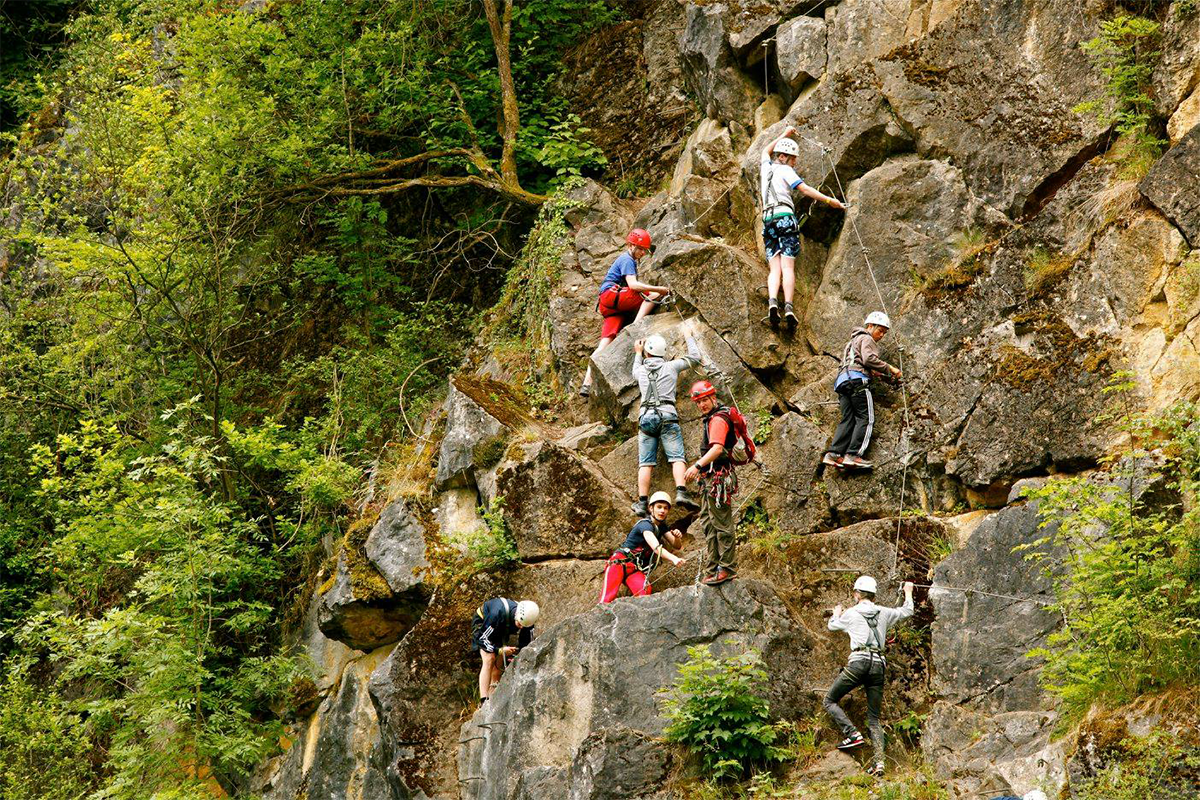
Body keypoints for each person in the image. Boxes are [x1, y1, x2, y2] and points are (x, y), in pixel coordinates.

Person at [824, 576, 915, 778]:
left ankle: (852, 734)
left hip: (859, 662)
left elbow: (832, 626)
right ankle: (879, 764)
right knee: (874, 718)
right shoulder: (884, 612)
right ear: (873, 595)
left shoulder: (851, 613)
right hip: (878, 665)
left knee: (829, 700)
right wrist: (908, 591)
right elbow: (908, 611)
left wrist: (836, 613)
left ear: (857, 594)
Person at [760, 125, 845, 329]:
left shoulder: (766, 167)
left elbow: (765, 150)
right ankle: (788, 306)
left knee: (775, 269)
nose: (795, 162)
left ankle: (773, 302)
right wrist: (829, 201)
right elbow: (804, 189)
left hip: (768, 221)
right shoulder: (786, 170)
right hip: (785, 218)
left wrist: (784, 135)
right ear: (784, 157)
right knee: (788, 266)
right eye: (793, 158)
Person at [580, 229, 671, 398]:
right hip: (612, 296)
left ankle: (587, 383)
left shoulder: (628, 259)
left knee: (606, 341)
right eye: (640, 249)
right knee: (652, 294)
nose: (643, 253)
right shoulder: (627, 259)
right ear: (630, 246)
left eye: (644, 250)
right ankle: (637, 323)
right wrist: (658, 288)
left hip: (610, 306)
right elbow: (634, 285)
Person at [631, 328, 702, 516]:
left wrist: (638, 354)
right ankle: (681, 492)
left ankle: (641, 503)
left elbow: (634, 371)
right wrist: (688, 336)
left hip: (646, 417)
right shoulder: (671, 366)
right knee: (676, 457)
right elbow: (695, 357)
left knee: (645, 463)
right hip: (667, 414)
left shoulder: (640, 371)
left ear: (647, 352)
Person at [822, 312, 902, 470]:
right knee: (866, 418)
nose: (881, 335)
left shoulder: (851, 342)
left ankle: (833, 454)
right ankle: (854, 455)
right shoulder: (867, 338)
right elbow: (868, 359)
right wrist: (890, 368)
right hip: (858, 381)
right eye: (880, 331)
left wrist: (873, 372)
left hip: (843, 382)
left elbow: (857, 361)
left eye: (884, 333)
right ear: (870, 326)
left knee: (848, 419)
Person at [684, 380, 739, 586]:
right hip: (710, 477)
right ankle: (714, 565)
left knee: (722, 524)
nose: (701, 405)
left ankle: (727, 568)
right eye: (698, 402)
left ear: (713, 398)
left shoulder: (718, 419)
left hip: (718, 478)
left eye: (704, 400)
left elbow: (716, 449)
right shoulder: (710, 418)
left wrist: (696, 466)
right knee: (708, 523)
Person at [599, 491, 686, 603]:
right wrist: (674, 559)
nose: (662, 511)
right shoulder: (645, 525)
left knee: (644, 591)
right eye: (659, 507)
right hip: (619, 563)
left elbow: (676, 545)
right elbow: (656, 548)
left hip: (634, 569)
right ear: (651, 508)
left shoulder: (661, 527)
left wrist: (677, 537)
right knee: (606, 599)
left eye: (665, 508)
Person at [469, 598, 540, 705]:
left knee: (498, 667)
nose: (520, 627)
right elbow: (482, 639)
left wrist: (518, 656)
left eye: (523, 626)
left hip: (501, 627)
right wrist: (499, 650)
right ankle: (483, 701)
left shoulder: (527, 621)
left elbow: (527, 645)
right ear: (517, 615)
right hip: (484, 625)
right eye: (519, 624)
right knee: (489, 659)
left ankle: (492, 701)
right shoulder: (496, 614)